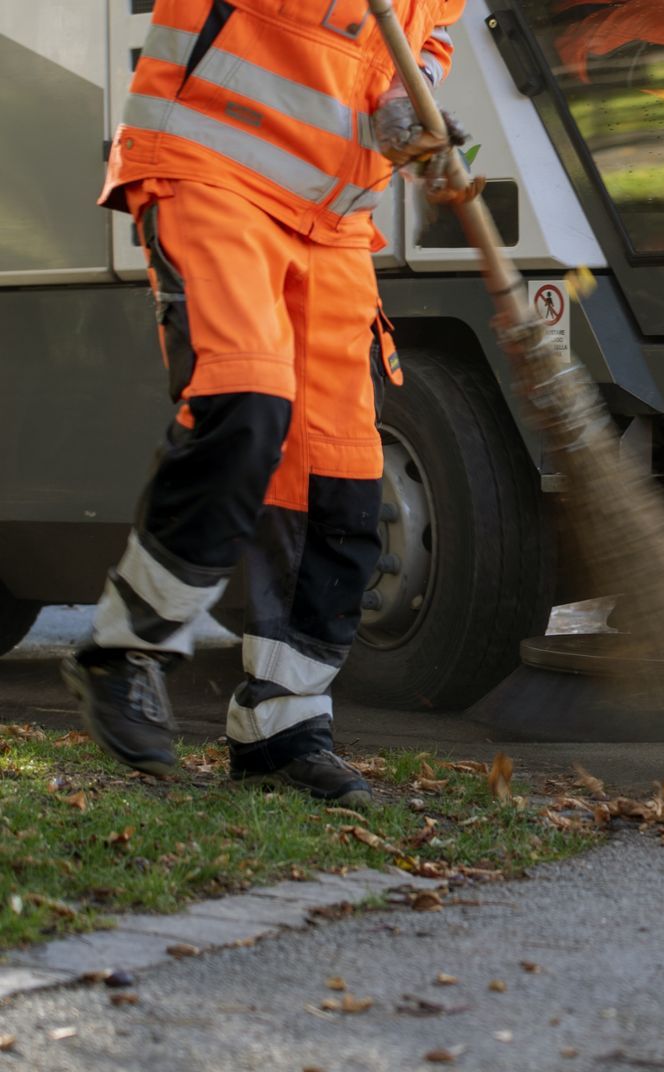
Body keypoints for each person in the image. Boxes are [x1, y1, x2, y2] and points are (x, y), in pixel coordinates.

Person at [62, 0, 469, 806]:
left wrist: (406, 98)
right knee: (245, 400)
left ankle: (283, 726)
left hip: (332, 223)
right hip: (212, 171)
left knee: (342, 482)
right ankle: (126, 648)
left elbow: (426, 39)